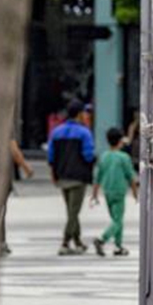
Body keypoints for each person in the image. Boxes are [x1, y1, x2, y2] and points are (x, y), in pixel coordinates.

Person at [47, 99, 95, 255]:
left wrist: (53, 174)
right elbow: (88, 155)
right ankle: (65, 242)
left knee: (71, 211)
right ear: (80, 114)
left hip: (62, 175)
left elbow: (51, 156)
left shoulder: (56, 131)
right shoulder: (84, 132)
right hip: (78, 177)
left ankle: (78, 241)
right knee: (74, 212)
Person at [92, 128, 140, 256]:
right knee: (118, 221)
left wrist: (94, 195)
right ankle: (102, 239)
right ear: (120, 140)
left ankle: (119, 246)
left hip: (107, 191)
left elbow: (97, 177)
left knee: (115, 219)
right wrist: (135, 194)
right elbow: (131, 177)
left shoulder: (104, 156)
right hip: (119, 191)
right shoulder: (124, 157)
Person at [0, 138, 34, 257]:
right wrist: (26, 167)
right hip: (0, 176)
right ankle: (0, 243)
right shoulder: (4, 124)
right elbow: (13, 150)